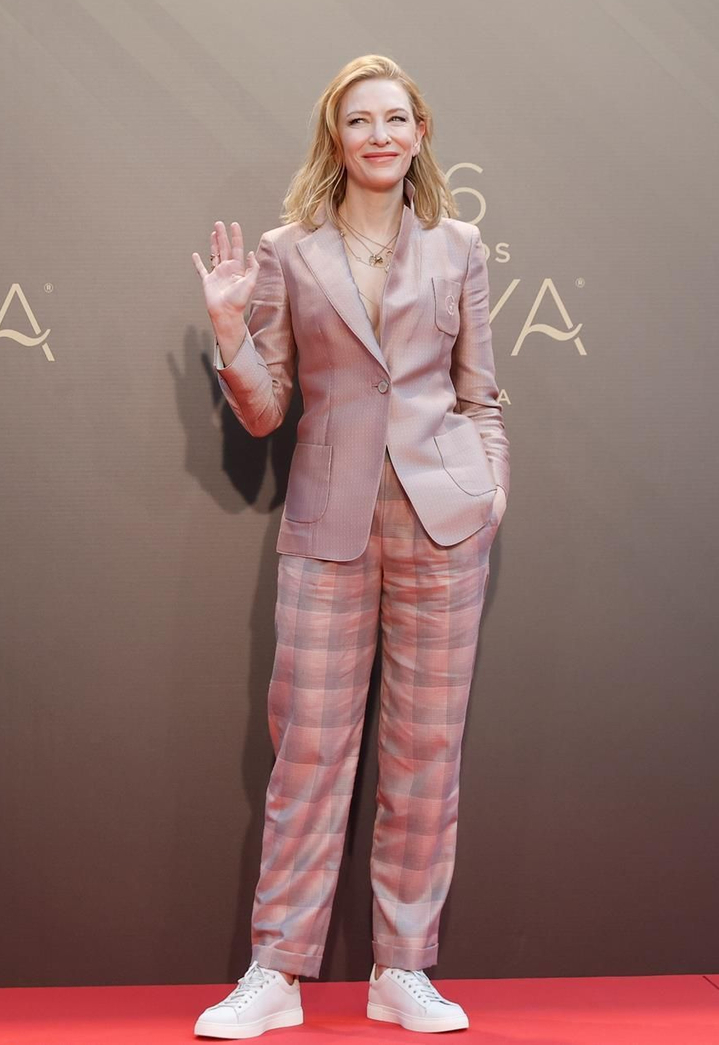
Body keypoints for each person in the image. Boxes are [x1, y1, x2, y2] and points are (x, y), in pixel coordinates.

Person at [189, 54, 508, 1038]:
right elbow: (268, 409)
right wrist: (229, 326)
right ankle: (276, 971)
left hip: (442, 521)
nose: (378, 134)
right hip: (328, 525)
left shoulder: (459, 247)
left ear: (419, 134)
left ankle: (402, 967)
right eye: (359, 120)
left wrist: (489, 486)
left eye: (395, 118)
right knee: (310, 747)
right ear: (336, 136)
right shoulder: (288, 252)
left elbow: (478, 390)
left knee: (425, 748)